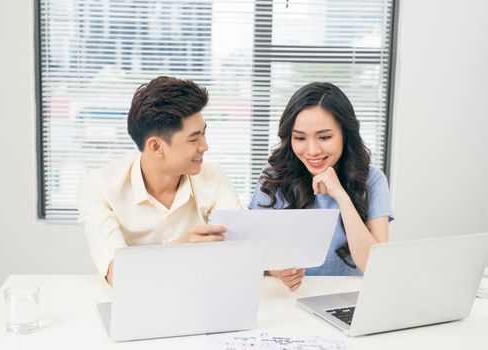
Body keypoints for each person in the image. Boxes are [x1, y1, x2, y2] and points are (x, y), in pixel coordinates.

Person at [77, 76, 241, 285]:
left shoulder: (214, 177)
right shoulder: (99, 186)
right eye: (194, 139)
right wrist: (181, 249)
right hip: (136, 301)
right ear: (155, 147)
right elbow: (117, 274)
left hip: (198, 295)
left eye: (204, 134)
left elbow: (238, 252)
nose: (205, 146)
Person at [249, 82, 393, 292]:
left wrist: (341, 197)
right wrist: (275, 271)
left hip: (347, 301)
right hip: (287, 300)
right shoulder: (273, 178)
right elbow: (250, 255)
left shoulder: (372, 179)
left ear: (345, 133)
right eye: (299, 138)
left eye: (325, 137)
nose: (312, 150)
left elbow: (376, 266)